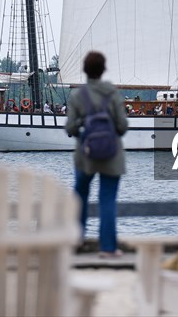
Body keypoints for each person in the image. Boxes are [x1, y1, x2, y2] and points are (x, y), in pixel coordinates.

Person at [66, 51, 128, 258]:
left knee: (80, 196)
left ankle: (76, 240)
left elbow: (70, 128)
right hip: (112, 155)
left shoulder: (78, 96)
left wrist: (83, 129)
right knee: (107, 199)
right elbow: (122, 126)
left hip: (86, 156)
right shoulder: (112, 93)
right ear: (103, 70)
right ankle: (108, 248)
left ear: (85, 70)